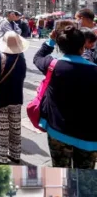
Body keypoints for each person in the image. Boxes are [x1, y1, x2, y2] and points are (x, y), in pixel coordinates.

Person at [34, 23, 97, 167]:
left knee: (60, 173)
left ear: (60, 47)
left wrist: (50, 41)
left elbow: (38, 57)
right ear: (83, 48)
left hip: (58, 132)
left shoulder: (53, 65)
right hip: (88, 137)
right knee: (85, 179)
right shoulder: (94, 71)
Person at [0, 32, 28, 164]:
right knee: (15, 127)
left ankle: (0, 156)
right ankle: (15, 154)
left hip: (2, 98)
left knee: (2, 128)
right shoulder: (21, 59)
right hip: (16, 97)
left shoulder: (1, 58)